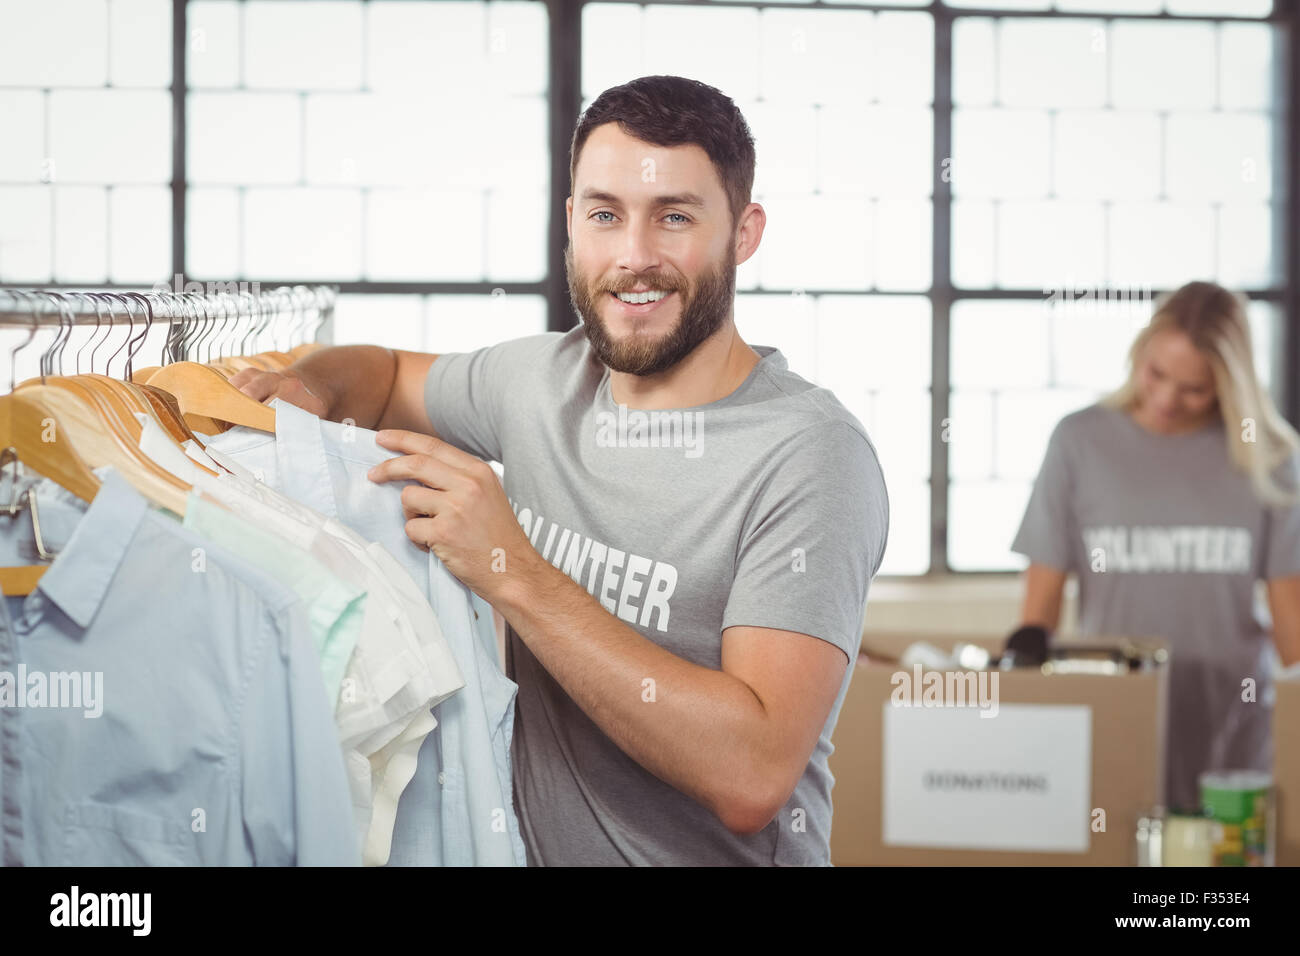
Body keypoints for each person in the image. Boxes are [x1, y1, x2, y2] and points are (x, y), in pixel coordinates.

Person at [231, 75, 890, 865]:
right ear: (573, 223)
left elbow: (750, 773)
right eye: (606, 215)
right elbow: (384, 370)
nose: (634, 258)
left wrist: (509, 568)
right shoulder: (541, 381)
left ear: (743, 233)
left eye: (674, 217)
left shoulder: (811, 456)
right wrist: (313, 389)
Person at [1012, 280, 1300, 813]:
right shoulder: (1078, 442)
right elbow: (1039, 612)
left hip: (1233, 728)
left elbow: (1294, 633)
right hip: (1118, 713)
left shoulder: (1272, 457)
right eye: (1157, 373)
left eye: (1194, 388)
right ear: (1138, 353)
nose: (1167, 399)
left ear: (1229, 384)